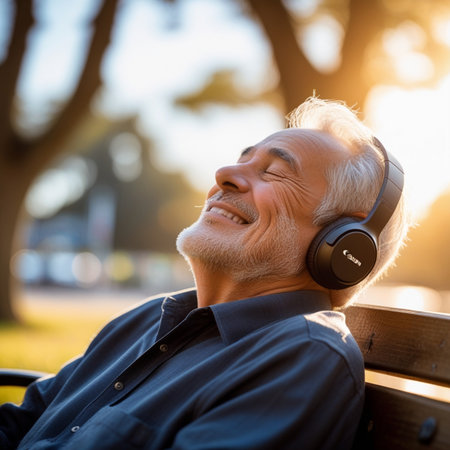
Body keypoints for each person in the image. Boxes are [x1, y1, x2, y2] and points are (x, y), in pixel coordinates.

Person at [0, 97, 408, 449]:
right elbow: (21, 423)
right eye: (242, 159)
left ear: (344, 244)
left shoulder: (303, 357)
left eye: (275, 172)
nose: (223, 175)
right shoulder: (146, 318)